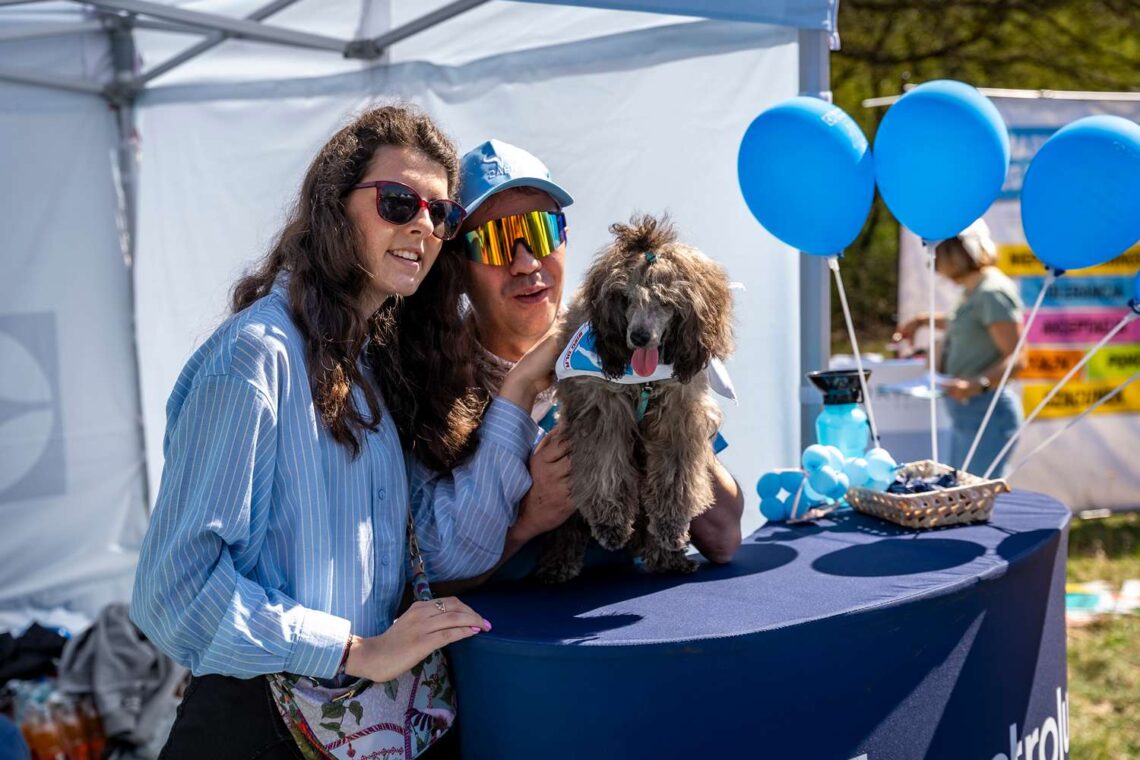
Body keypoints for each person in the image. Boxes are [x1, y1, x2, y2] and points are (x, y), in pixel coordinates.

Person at [129, 107, 558, 758]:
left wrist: (519, 393)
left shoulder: (369, 365)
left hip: (352, 728)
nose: (421, 224)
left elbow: (443, 552)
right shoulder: (256, 356)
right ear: (334, 207)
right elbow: (174, 593)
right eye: (397, 202)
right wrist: (356, 650)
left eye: (439, 214)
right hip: (256, 728)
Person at [444, 139, 743, 582]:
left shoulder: (626, 346)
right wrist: (528, 519)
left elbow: (723, 538)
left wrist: (677, 428)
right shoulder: (436, 383)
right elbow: (429, 580)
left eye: (543, 231)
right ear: (458, 265)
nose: (526, 263)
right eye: (496, 241)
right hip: (511, 636)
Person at [894, 219, 1025, 477]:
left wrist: (977, 384)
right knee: (961, 492)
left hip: (986, 413)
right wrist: (922, 320)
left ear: (955, 252)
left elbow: (1017, 359)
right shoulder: (977, 290)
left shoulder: (992, 291)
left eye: (938, 253)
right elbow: (966, 324)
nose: (935, 266)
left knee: (974, 495)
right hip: (971, 412)